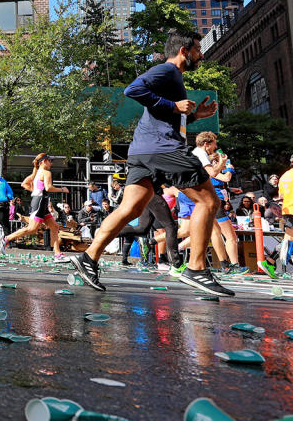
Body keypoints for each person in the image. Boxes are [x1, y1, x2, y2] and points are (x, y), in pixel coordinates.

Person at [70, 29, 229, 296]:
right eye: (198, 50)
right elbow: (133, 89)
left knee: (130, 209)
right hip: (163, 149)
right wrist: (173, 106)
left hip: (143, 152)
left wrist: (194, 115)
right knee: (209, 201)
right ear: (183, 51)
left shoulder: (174, 79)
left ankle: (88, 258)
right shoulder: (167, 71)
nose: (200, 55)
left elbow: (165, 115)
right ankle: (197, 269)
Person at [191, 131, 243, 273]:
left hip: (209, 198)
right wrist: (228, 167)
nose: (216, 146)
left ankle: (225, 265)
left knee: (214, 233)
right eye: (214, 144)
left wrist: (231, 190)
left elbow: (218, 180)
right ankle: (234, 265)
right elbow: (222, 177)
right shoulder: (204, 159)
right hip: (214, 200)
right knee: (230, 235)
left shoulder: (202, 160)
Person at [2, 154, 68, 260]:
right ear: (43, 162)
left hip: (41, 202)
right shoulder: (46, 172)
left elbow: (24, 184)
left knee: (55, 227)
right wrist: (62, 189)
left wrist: (35, 191)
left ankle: (57, 254)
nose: (51, 163)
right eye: (50, 161)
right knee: (32, 228)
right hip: (40, 203)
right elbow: (48, 187)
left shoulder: (37, 173)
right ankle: (6, 239)